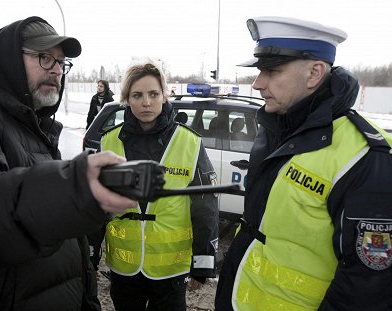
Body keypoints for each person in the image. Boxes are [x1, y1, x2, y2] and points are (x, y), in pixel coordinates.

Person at [0, 16, 136, 310]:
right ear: (9, 61)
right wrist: (72, 191)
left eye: (61, 63)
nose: (57, 70)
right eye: (45, 58)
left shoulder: (35, 129)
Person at [215, 16, 392, 311]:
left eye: (271, 71)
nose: (258, 84)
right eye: (260, 71)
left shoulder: (366, 155)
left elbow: (369, 286)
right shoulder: (276, 128)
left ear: (314, 73)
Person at [100, 62, 219, 310]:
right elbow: (96, 202)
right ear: (126, 99)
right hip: (123, 267)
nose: (146, 103)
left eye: (153, 94)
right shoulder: (109, 142)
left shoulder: (189, 142)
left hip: (170, 272)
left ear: (164, 95)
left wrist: (202, 263)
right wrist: (89, 253)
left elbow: (205, 205)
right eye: (137, 95)